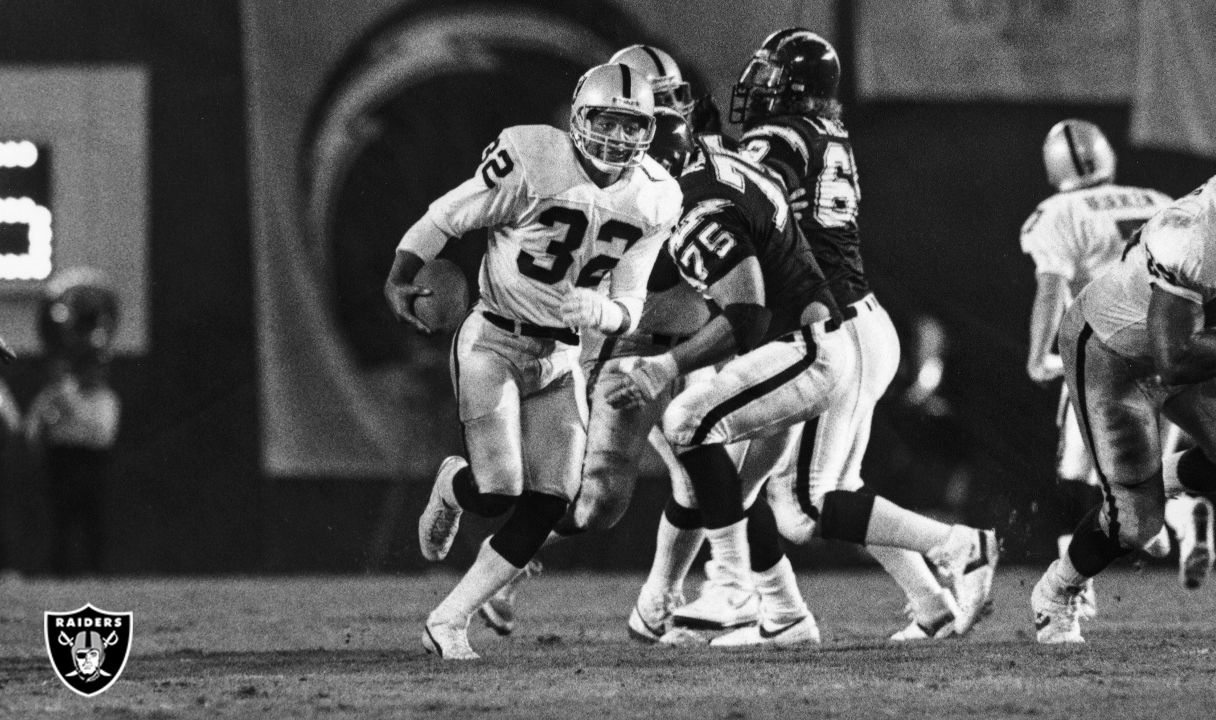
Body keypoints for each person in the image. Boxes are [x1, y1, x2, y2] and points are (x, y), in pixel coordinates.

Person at [699, 27, 997, 643]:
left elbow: (751, 208)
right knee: (839, 489)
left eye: (768, 74)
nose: (755, 86)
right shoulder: (826, 134)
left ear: (795, 85)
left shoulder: (777, 137)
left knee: (805, 511)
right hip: (861, 322)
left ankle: (961, 545)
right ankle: (931, 604)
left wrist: (704, 165)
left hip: (831, 328)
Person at [388, 63, 682, 660]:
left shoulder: (656, 195)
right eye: (608, 121)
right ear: (579, 117)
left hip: (562, 354)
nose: (619, 139)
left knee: (552, 498)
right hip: (494, 340)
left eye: (633, 126)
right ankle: (453, 486)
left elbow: (630, 303)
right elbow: (446, 216)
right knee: (498, 492)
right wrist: (400, 276)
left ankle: (448, 620)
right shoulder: (532, 156)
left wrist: (599, 313)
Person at [608, 120, 855, 648]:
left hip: (800, 348)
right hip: (802, 343)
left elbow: (745, 314)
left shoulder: (695, 210)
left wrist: (661, 367)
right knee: (728, 491)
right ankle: (787, 616)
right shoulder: (723, 167)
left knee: (687, 422)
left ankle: (735, 593)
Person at [1032, 154, 1216, 644]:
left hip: (1197, 337)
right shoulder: (1197, 239)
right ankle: (1056, 592)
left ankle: (1157, 481)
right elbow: (1175, 361)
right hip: (1114, 351)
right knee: (1137, 525)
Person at [1020, 119, 1216, 613]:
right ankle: (1184, 513)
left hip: (1106, 349)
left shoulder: (1059, 211)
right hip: (1170, 350)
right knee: (1146, 477)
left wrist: (1038, 355)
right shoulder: (1155, 198)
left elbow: (1051, 286)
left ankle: (1074, 592)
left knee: (1078, 476)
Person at [27, 269, 122, 575]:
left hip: (90, 463)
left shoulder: (106, 399)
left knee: (93, 523)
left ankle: (98, 574)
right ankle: (58, 574)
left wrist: (66, 394)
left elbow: (100, 435)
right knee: (60, 523)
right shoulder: (55, 392)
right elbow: (33, 426)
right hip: (60, 461)